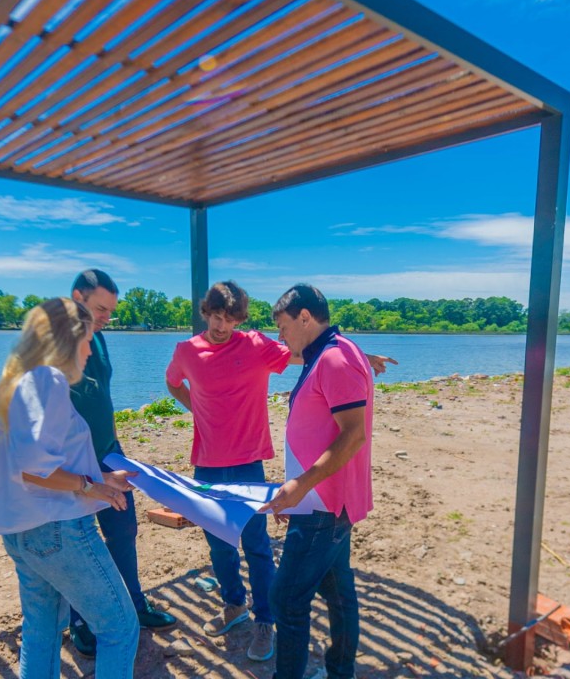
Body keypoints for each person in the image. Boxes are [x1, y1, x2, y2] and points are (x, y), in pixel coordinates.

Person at [165, 282, 394, 663]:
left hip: (249, 461)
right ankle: (233, 605)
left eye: (232, 319)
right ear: (205, 313)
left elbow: (309, 352)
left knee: (256, 546)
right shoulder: (186, 352)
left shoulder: (254, 344)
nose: (223, 326)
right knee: (219, 545)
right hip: (206, 461)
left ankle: (264, 621)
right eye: (217, 317)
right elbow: (172, 383)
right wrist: (199, 411)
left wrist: (362, 357)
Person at [0, 297, 140, 679]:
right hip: (56, 530)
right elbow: (34, 467)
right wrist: (90, 486)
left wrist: (102, 481)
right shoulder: (48, 378)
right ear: (68, 341)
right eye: (86, 339)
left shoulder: (19, 380)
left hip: (23, 532)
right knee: (120, 627)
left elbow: (39, 460)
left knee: (42, 631)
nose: (90, 349)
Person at [261, 284, 375, 679]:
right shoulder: (329, 352)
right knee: (339, 594)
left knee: (286, 598)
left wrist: (301, 486)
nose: (280, 336)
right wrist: (298, 489)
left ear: (305, 317)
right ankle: (341, 672)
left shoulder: (334, 359)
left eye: (283, 326)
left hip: (324, 505)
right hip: (324, 501)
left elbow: (353, 435)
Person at [67, 269, 176, 658]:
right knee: (78, 543)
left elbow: (103, 400)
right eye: (100, 308)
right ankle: (79, 621)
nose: (106, 318)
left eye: (111, 311)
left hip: (110, 452)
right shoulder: (58, 345)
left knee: (124, 528)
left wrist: (116, 447)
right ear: (77, 297)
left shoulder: (101, 338)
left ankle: (134, 603)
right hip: (75, 464)